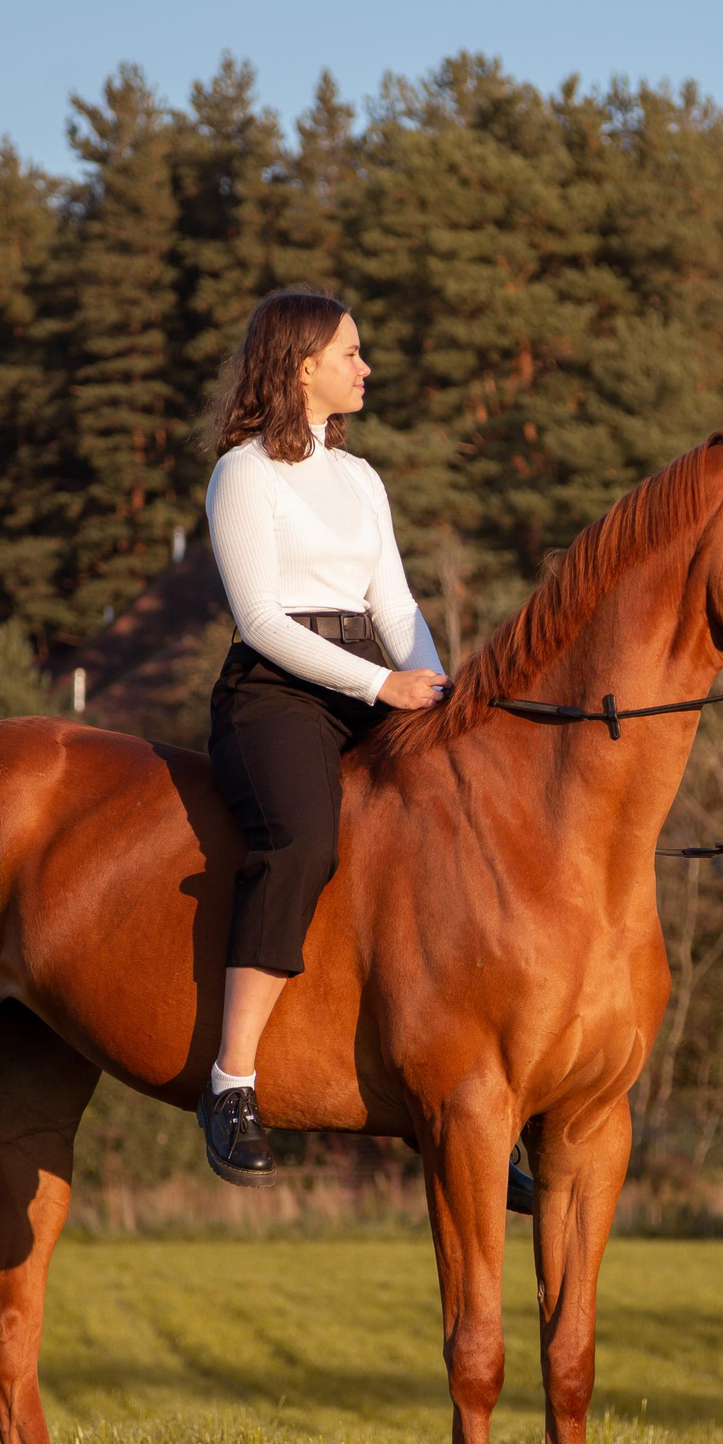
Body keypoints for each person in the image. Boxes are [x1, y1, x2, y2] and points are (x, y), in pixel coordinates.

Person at [196, 289, 446, 1185]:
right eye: (351, 352)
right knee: (302, 841)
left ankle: (452, 1089)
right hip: (274, 695)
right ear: (302, 366)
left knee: (458, 822)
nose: (365, 366)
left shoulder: (362, 479)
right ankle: (231, 1082)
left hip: (371, 684)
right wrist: (384, 682)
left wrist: (440, 696)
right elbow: (260, 619)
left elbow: (394, 606)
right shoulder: (245, 473)